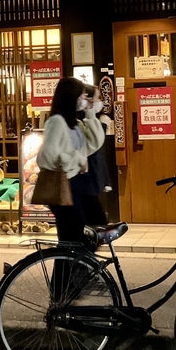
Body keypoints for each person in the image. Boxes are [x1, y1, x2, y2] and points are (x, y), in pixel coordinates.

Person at [37, 78, 104, 245]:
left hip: (78, 183)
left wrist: (90, 113)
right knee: (76, 238)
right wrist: (77, 159)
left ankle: (78, 269)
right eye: (81, 95)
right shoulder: (56, 121)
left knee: (92, 228)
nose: (84, 98)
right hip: (64, 185)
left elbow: (94, 144)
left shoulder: (75, 123)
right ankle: (78, 269)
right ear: (71, 96)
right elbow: (46, 156)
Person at [78, 85, 112, 227]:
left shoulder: (91, 119)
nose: (100, 102)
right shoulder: (79, 122)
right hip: (85, 180)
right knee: (96, 223)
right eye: (98, 98)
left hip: (89, 180)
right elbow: (93, 145)